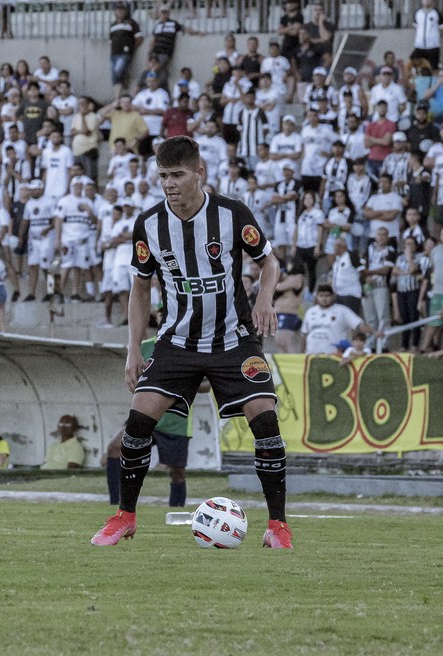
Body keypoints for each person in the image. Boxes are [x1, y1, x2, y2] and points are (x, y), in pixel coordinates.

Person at [90, 136, 293, 549]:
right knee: (138, 422)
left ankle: (278, 526)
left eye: (178, 174)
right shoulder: (148, 224)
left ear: (199, 172)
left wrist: (265, 299)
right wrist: (134, 348)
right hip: (176, 341)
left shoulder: (232, 214)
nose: (169, 183)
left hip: (234, 338)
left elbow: (269, 261)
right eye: (163, 176)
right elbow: (140, 289)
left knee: (266, 421)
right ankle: (125, 517)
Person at [301, 284, 381, 354]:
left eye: (327, 295)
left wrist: (374, 332)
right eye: (321, 296)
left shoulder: (342, 310)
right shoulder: (310, 312)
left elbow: (359, 325)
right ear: (317, 296)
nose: (324, 299)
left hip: (333, 355)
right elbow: (304, 334)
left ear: (333, 296)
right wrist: (301, 354)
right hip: (311, 355)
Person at [108, 2, 143, 99]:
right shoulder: (113, 25)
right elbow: (111, 41)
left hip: (124, 53)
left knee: (117, 72)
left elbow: (139, 38)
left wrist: (132, 49)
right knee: (115, 75)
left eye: (122, 10)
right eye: (118, 10)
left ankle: (123, 82)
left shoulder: (131, 23)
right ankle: (117, 97)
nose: (119, 12)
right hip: (114, 54)